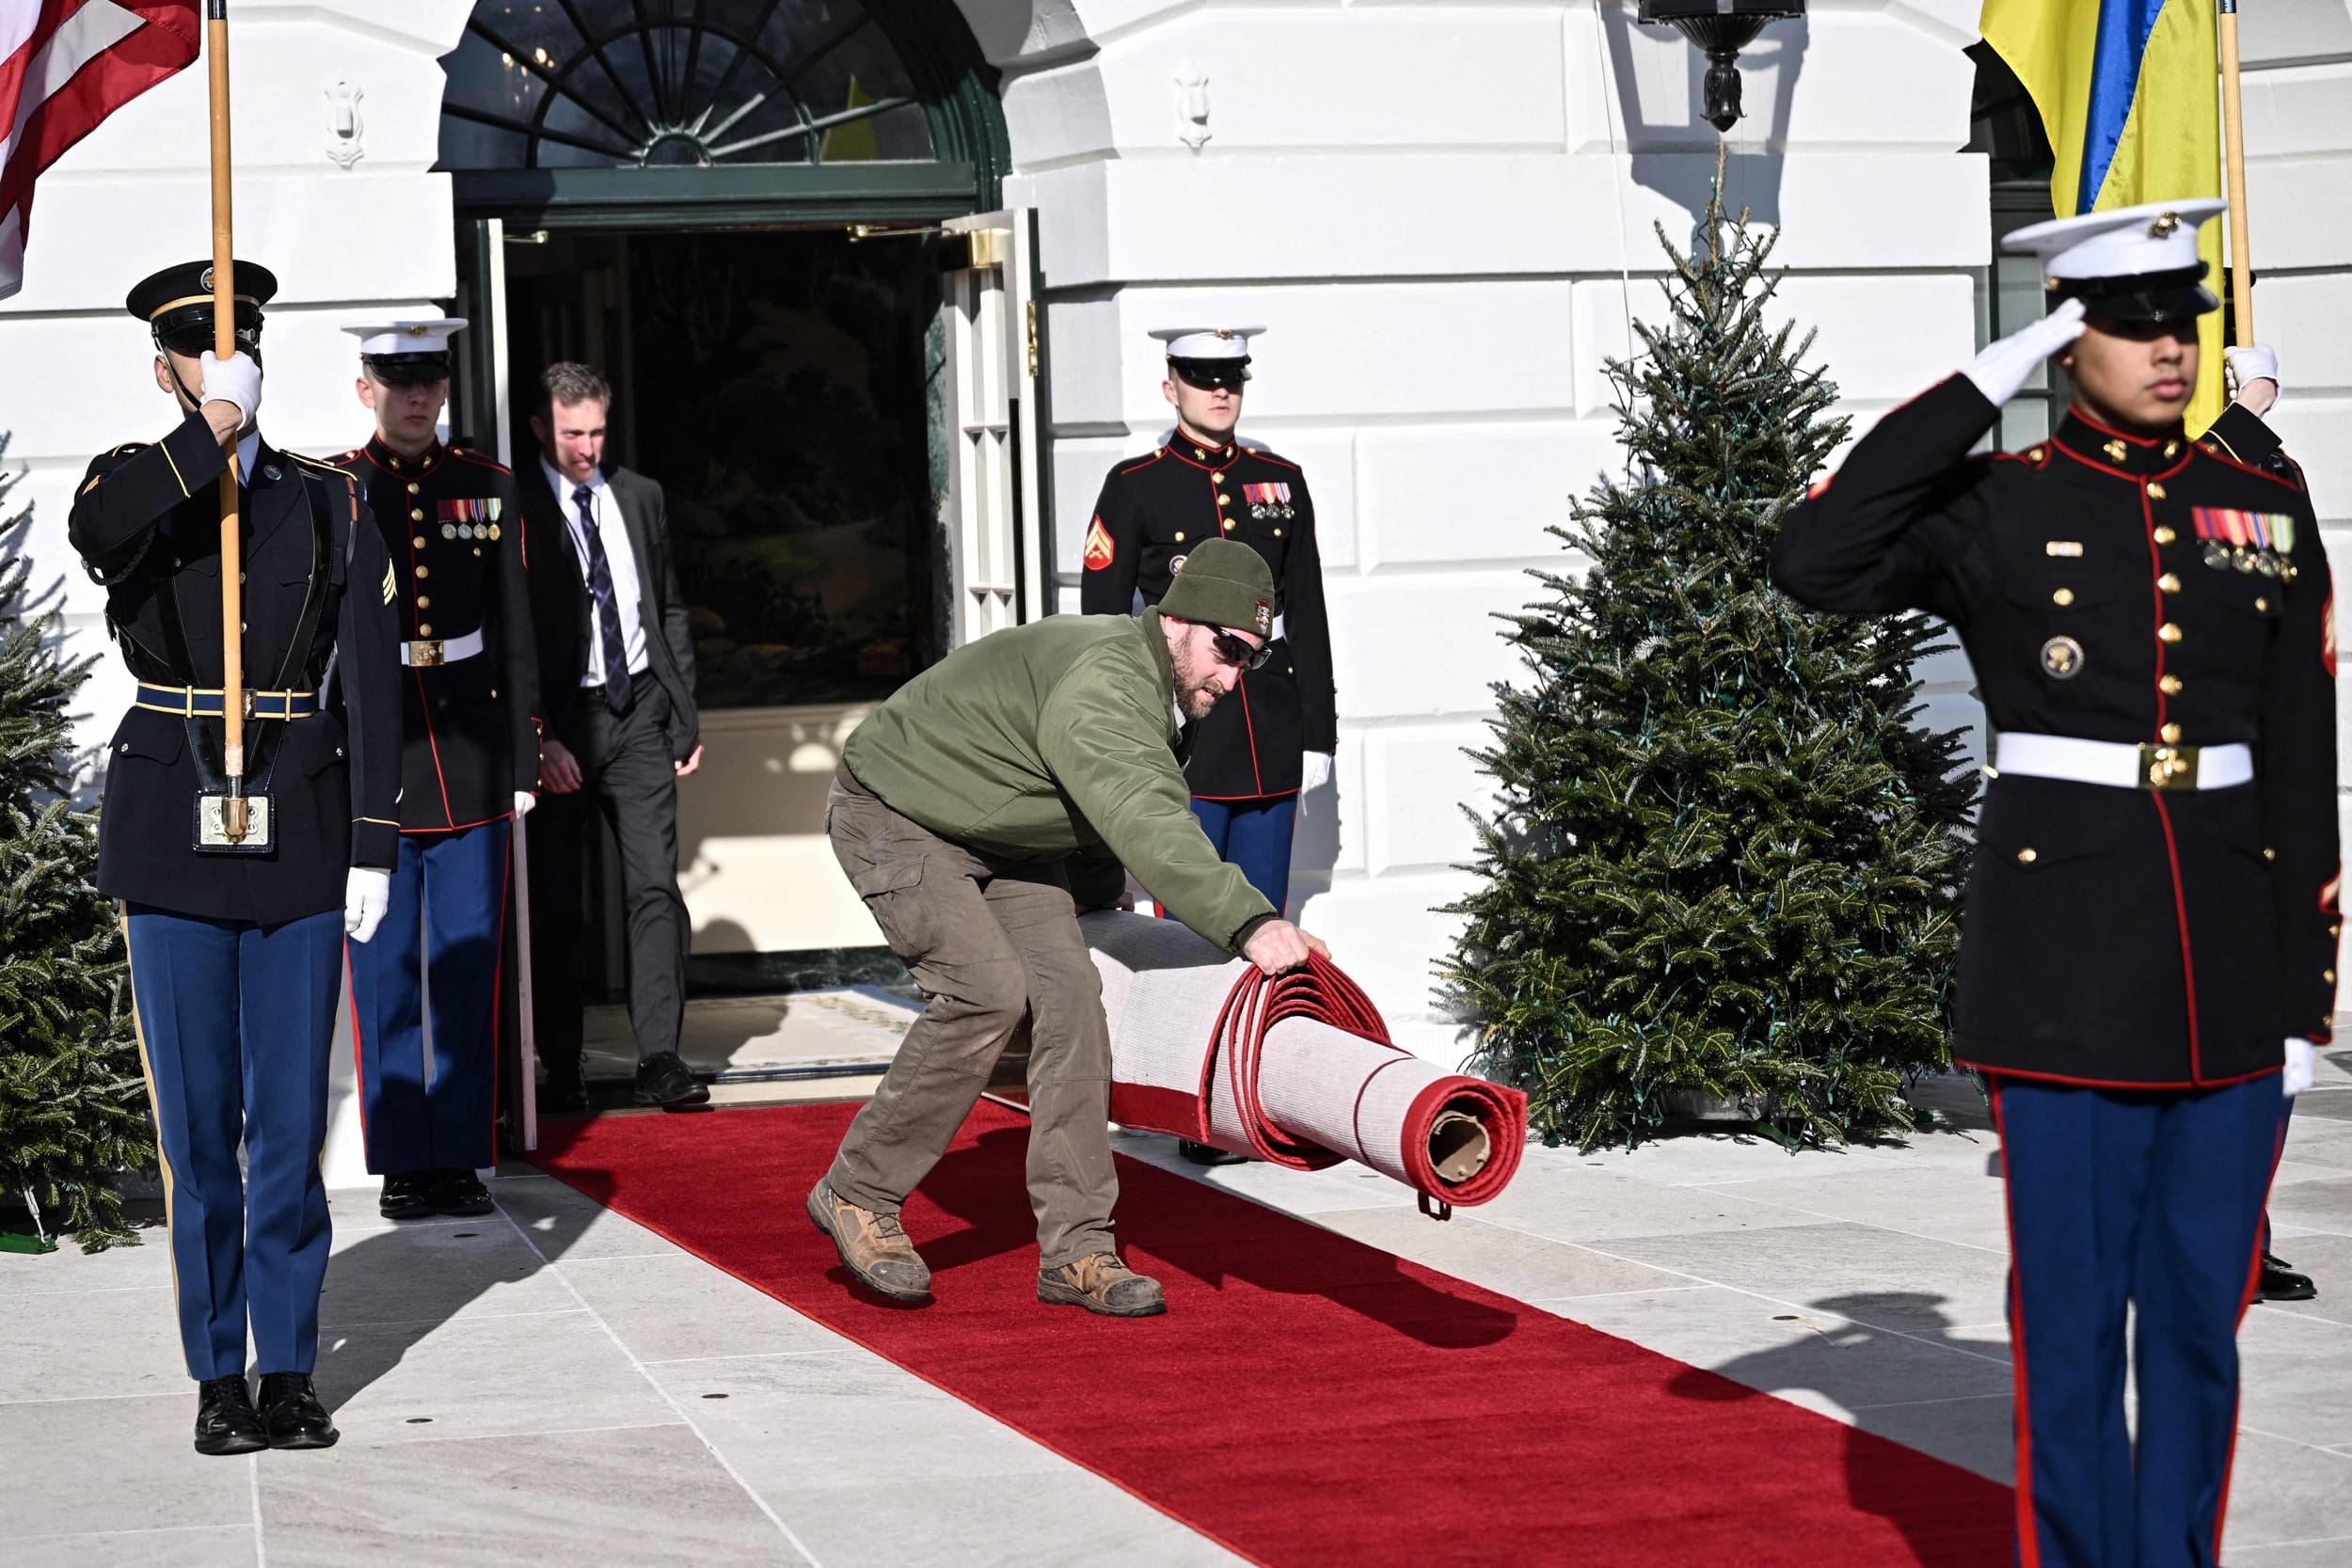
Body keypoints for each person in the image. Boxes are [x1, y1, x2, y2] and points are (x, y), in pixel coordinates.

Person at [1772, 199, 2334, 1567]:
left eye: (2181, 320)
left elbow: (2302, 747)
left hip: (2224, 964)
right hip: (2064, 962)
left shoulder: (2257, 503)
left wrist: (2304, 997)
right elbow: (1813, 558)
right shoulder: (2001, 502)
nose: (2169, 348)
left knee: (2202, 1316)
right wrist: (1977, 381)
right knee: (2075, 1323)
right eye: (2132, 323)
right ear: (2072, 337)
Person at [808, 538, 1329, 1317]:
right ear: (1181, 620)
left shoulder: (1157, 686)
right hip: (900, 810)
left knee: (1073, 1004)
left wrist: (1091, 889)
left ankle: (1078, 1249)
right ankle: (858, 1190)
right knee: (987, 991)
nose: (1231, 676)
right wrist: (1247, 920)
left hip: (1001, 835)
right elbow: (1143, 811)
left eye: (1248, 661)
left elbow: (1083, 804)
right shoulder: (1112, 680)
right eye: (1226, 649)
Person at [70, 260, 401, 1454]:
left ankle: (290, 1365)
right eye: (198, 360)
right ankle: (217, 1369)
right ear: (165, 369)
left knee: (288, 1129)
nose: (222, 374)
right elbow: (104, 535)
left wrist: (373, 842)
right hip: (170, 834)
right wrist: (205, 432)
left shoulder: (327, 500)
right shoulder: (131, 482)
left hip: (302, 830)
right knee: (200, 1128)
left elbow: (368, 670)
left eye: (237, 359)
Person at [1079, 325, 1337, 1165]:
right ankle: (1180, 1091)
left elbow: (1309, 610)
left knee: (1264, 919)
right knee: (1183, 932)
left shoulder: (1279, 483)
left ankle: (1249, 1090)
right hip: (1186, 740)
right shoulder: (1135, 486)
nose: (1219, 392)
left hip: (1269, 734)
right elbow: (1103, 626)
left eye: (1231, 378)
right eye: (1201, 378)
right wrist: (1116, 738)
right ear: (1171, 389)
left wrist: (1321, 728)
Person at [332, 319, 541, 1218]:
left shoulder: (488, 485)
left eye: (429, 377)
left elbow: (520, 625)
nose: (415, 395)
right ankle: (401, 1160)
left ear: (447, 385)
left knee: (464, 968)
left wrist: (526, 750)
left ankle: (458, 1156)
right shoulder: (336, 489)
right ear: (365, 385)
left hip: (470, 754)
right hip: (374, 759)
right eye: (395, 376)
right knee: (382, 973)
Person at [516, 361, 705, 1112]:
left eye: (596, 431)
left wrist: (684, 711)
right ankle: (562, 1067)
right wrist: (540, 737)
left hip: (640, 717)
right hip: (563, 727)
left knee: (655, 886)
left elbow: (669, 607)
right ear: (541, 429)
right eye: (571, 434)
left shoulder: (640, 496)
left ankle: (661, 1056)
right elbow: (511, 634)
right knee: (559, 901)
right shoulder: (518, 503)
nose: (587, 447)